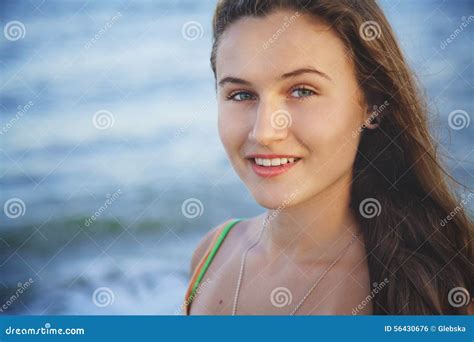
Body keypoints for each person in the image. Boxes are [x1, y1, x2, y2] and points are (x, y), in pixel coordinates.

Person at [183, 0, 473, 315]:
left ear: (371, 104)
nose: (264, 132)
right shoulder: (210, 255)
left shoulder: (438, 289)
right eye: (241, 95)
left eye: (302, 91)